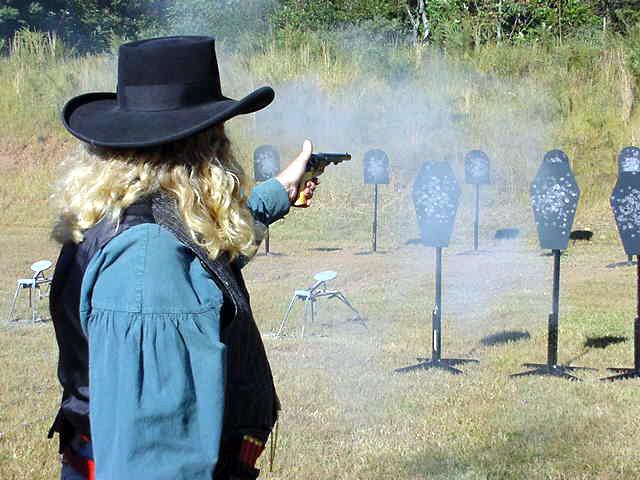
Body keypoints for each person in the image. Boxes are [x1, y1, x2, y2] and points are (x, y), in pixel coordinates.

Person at [48, 36, 318, 480]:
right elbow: (157, 461)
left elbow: (203, 257)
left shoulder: (140, 219)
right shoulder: (151, 264)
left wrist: (280, 191)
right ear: (206, 146)